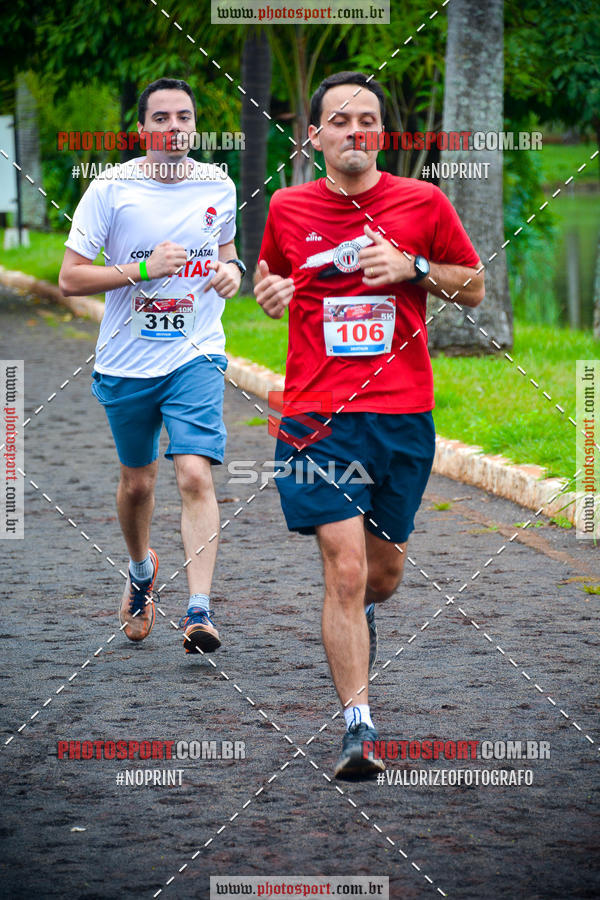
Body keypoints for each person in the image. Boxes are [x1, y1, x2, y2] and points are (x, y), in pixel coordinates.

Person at [254, 71, 484, 779]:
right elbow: (270, 278)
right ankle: (359, 728)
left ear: (381, 134)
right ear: (314, 135)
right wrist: (268, 291)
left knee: (380, 576)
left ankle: (364, 616)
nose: (356, 131)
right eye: (341, 120)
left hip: (403, 416)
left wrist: (414, 266)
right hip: (317, 420)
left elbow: (474, 286)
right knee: (345, 570)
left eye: (369, 121)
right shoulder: (289, 208)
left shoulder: (423, 202)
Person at [59, 78, 246, 654]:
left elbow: (229, 257)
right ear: (142, 129)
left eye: (184, 117)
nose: (174, 127)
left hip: (196, 354)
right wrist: (142, 271)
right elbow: (70, 279)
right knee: (138, 484)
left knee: (195, 474)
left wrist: (232, 275)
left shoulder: (219, 183)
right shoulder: (111, 189)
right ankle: (141, 573)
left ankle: (199, 611)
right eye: (160, 118)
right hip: (126, 361)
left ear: (195, 125)